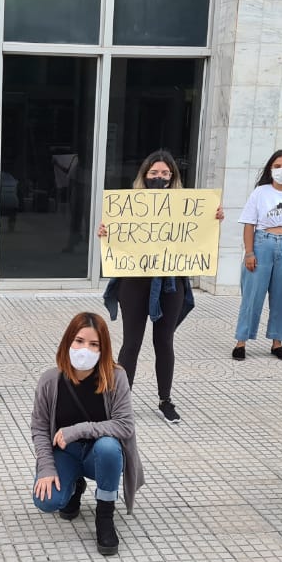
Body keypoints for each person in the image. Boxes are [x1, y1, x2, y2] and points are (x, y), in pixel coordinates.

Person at [98, 150, 224, 424]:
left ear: (173, 178)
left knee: (164, 341)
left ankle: (165, 399)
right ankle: (121, 401)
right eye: (154, 173)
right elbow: (120, 244)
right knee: (131, 342)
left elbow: (196, 237)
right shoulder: (129, 205)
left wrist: (211, 220)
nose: (159, 177)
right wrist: (107, 235)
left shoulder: (185, 207)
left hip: (170, 282)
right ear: (144, 176)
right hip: (135, 282)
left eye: (165, 174)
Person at [31, 312, 144, 556]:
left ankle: (105, 515)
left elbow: (125, 425)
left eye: (94, 344)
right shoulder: (50, 380)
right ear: (68, 341)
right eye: (79, 341)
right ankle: (74, 486)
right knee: (47, 501)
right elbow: (40, 428)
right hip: (66, 453)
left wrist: (78, 429)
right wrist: (47, 468)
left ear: (104, 349)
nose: (85, 349)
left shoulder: (116, 377)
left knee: (108, 447)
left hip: (99, 455)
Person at [232, 149, 282, 361]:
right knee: (252, 294)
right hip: (262, 242)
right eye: (277, 166)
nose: (281, 170)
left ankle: (278, 342)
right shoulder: (260, 193)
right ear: (270, 169)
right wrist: (249, 252)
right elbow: (249, 224)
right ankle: (242, 341)